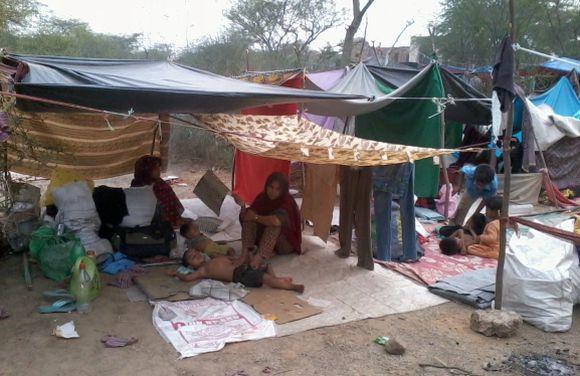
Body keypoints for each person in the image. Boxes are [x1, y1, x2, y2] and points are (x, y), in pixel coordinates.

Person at [237, 172, 302, 269]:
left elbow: (275, 221)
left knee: (273, 224)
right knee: (250, 218)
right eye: (271, 187)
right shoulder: (262, 197)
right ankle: (245, 253)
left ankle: (258, 258)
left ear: (282, 191)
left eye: (277, 189)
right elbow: (247, 216)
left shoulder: (287, 201)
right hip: (267, 240)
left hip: (285, 243)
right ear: (266, 186)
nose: (273, 191)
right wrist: (242, 206)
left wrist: (256, 217)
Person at [177, 249, 304, 292]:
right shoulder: (202, 270)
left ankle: (278, 281)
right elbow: (188, 278)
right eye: (193, 257)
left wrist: (242, 258)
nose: (197, 255)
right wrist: (177, 274)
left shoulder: (213, 259)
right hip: (239, 275)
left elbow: (232, 259)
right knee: (264, 278)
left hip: (241, 267)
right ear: (191, 266)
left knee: (265, 265)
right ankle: (291, 287)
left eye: (196, 252)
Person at [131, 155, 187, 228]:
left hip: (170, 217)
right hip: (153, 222)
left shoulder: (159, 182)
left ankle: (174, 220)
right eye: (155, 168)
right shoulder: (139, 187)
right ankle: (169, 223)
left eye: (159, 167)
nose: (159, 170)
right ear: (146, 170)